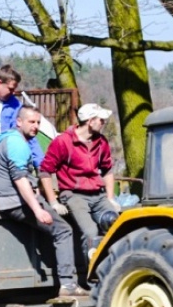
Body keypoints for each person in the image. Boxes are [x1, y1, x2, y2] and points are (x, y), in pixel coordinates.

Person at [0, 106, 87, 297]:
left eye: (38, 123)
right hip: (14, 202)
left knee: (56, 219)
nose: (35, 127)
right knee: (64, 230)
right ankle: (68, 284)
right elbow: (19, 179)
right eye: (31, 122)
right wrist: (37, 209)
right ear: (19, 122)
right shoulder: (17, 144)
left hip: (9, 199)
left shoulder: (11, 140)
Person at [40, 103, 120, 257]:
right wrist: (53, 202)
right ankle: (92, 277)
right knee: (91, 233)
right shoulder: (63, 142)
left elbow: (107, 169)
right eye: (101, 120)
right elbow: (45, 172)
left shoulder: (101, 142)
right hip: (74, 195)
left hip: (98, 194)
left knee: (114, 224)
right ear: (90, 122)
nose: (104, 123)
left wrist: (111, 198)